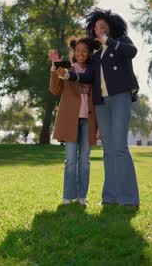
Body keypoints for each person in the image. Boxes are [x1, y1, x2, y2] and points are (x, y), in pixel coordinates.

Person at [57, 8, 140, 207]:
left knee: (120, 147)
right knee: (108, 150)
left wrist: (108, 41)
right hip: (101, 103)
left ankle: (129, 199)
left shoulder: (121, 42)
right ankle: (110, 198)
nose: (98, 31)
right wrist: (70, 75)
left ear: (111, 28)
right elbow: (87, 76)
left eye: (102, 27)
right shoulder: (95, 56)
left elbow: (133, 52)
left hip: (120, 97)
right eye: (95, 28)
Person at [49, 37, 100, 206]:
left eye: (84, 51)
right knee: (70, 159)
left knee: (84, 160)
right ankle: (68, 196)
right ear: (74, 52)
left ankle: (82, 197)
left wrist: (98, 126)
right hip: (71, 120)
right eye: (78, 50)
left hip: (89, 121)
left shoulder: (94, 71)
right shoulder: (67, 68)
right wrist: (56, 65)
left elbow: (99, 99)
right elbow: (54, 89)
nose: (81, 54)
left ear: (90, 53)